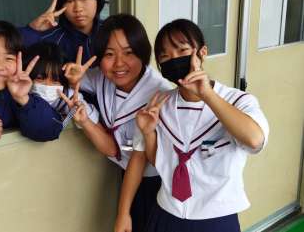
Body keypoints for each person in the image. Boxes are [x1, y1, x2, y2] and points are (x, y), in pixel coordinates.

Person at [116, 19, 269, 232]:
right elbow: (159, 162)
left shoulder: (238, 101)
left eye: (182, 50)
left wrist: (207, 94)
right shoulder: (159, 104)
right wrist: (149, 133)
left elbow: (254, 140)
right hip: (166, 212)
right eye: (165, 56)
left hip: (216, 218)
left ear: (202, 52)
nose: (174, 59)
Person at [63, 14, 172, 232]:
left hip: (156, 181)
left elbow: (141, 157)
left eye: (129, 53)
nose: (119, 63)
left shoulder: (160, 95)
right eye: (109, 54)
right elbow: (75, 80)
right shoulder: (102, 77)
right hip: (124, 172)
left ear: (143, 53)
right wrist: (73, 79)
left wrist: (124, 213)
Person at [20, 0, 105, 64]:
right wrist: (32, 30)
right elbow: (12, 49)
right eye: (69, 1)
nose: (78, 8)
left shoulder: (111, 32)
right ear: (60, 4)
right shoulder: (52, 39)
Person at [20, 41, 102, 141]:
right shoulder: (18, 93)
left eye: (55, 81)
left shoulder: (70, 97)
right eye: (40, 79)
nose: (47, 86)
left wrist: (78, 113)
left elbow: (96, 127)